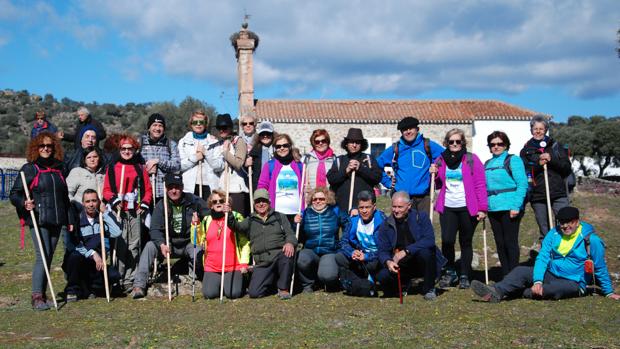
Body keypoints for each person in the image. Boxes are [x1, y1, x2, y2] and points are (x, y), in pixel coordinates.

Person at [472, 207, 620, 302]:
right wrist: (537, 280)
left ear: (577, 222)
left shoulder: (592, 240)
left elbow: (599, 266)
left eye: (570, 223)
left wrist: (608, 292)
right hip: (551, 273)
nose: (565, 226)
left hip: (574, 282)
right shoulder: (553, 233)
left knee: (552, 290)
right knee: (520, 271)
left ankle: (519, 291)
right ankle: (496, 291)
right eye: (562, 223)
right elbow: (542, 258)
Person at [10, 132, 69, 310]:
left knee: (49, 256)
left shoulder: (60, 168)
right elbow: (15, 194)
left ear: (54, 148)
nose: (45, 149)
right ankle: (36, 297)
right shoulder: (29, 169)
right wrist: (23, 203)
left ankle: (43, 295)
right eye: (42, 146)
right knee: (41, 256)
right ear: (36, 148)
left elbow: (64, 196)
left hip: (57, 219)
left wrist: (69, 218)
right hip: (38, 218)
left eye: (49, 146)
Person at [131, 173, 208, 298]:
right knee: (150, 246)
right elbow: (154, 229)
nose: (174, 191)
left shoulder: (194, 201)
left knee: (198, 252)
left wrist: (201, 226)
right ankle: (139, 285)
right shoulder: (161, 205)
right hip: (168, 243)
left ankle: (197, 277)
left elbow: (210, 215)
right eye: (171, 187)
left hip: (190, 242)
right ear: (166, 188)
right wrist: (161, 244)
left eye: (177, 187)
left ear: (182, 187)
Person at [433, 128, 487, 289]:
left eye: (458, 141)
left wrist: (482, 208)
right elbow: (437, 183)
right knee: (447, 241)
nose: (455, 144)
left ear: (463, 142)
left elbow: (480, 184)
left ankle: (464, 274)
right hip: (448, 206)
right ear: (446, 143)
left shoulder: (471, 159)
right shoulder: (440, 160)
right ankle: (450, 272)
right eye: (451, 142)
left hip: (467, 207)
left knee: (465, 241)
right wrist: (433, 174)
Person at [102, 134, 152, 291]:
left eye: (130, 148)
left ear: (135, 149)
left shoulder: (139, 168)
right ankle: (118, 277)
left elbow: (147, 190)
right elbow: (106, 190)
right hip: (118, 211)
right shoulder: (112, 168)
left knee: (134, 244)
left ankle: (131, 278)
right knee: (120, 244)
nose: (127, 151)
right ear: (119, 150)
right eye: (123, 149)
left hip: (134, 211)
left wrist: (144, 204)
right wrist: (114, 201)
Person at [227, 189, 297, 300]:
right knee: (255, 293)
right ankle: (273, 283)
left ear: (269, 202)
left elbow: (290, 234)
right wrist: (229, 214)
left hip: (279, 256)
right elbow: (237, 227)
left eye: (263, 201)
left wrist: (289, 243)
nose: (261, 204)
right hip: (262, 262)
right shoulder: (250, 220)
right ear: (254, 204)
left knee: (287, 254)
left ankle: (283, 289)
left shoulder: (280, 217)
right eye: (258, 201)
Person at [376, 191, 446, 300]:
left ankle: (429, 288)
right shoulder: (386, 224)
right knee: (382, 276)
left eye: (400, 207)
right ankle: (403, 284)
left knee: (426, 252)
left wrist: (406, 251)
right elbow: (382, 250)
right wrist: (388, 261)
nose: (396, 210)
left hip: (420, 260)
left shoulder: (421, 217)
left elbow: (429, 240)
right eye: (394, 207)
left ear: (409, 206)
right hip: (401, 265)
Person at [520, 115, 572, 241]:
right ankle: (548, 258)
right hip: (538, 195)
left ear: (546, 130)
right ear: (531, 130)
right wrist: (538, 165)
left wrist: (552, 160)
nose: (538, 131)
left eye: (541, 129)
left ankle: (567, 256)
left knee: (566, 224)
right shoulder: (525, 150)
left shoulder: (556, 146)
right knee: (545, 230)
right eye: (535, 128)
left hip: (558, 193)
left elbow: (566, 168)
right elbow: (524, 172)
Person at [376, 116, 443, 215]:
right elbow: (377, 165)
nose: (408, 132)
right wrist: (387, 182)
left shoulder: (428, 145)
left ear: (417, 129)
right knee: (402, 229)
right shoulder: (396, 148)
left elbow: (446, 158)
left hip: (424, 197)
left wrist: (437, 169)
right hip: (401, 198)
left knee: (423, 228)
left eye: (411, 128)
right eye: (404, 130)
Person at [63, 189, 121, 301]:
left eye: (94, 201)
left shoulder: (102, 219)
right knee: (74, 256)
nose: (91, 204)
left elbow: (117, 232)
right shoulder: (77, 219)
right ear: (83, 203)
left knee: (114, 275)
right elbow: (73, 244)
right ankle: (72, 290)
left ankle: (90, 288)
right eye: (88, 201)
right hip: (80, 260)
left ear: (99, 202)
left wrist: (105, 213)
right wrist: (93, 254)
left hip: (97, 264)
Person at [485, 131, 528, 276]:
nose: (496, 147)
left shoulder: (513, 160)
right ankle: (506, 274)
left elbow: (522, 184)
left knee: (510, 242)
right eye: (493, 144)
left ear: (506, 145)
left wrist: (516, 206)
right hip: (493, 208)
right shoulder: (487, 163)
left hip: (510, 207)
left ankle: (514, 275)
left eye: (500, 144)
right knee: (500, 243)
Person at [199, 190, 250, 299]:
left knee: (233, 294)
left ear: (227, 202)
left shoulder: (236, 217)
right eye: (215, 201)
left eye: (221, 201)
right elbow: (198, 241)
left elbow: (245, 243)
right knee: (209, 294)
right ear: (211, 205)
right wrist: (195, 226)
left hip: (233, 265)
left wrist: (244, 263)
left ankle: (236, 281)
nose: (218, 203)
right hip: (212, 266)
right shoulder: (206, 220)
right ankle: (220, 282)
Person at [293, 186, 345, 293]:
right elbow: (297, 235)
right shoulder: (305, 213)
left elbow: (348, 224)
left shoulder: (335, 211)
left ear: (327, 199)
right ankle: (308, 284)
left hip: (330, 251)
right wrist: (296, 224)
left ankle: (327, 280)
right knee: (301, 258)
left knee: (328, 276)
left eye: (321, 199)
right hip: (311, 250)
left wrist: (343, 242)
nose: (318, 201)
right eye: (315, 199)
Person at [336, 190, 386, 296]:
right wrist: (352, 252)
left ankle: (371, 279)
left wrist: (367, 256)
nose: (364, 211)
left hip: (377, 257)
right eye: (361, 207)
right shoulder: (353, 221)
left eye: (367, 207)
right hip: (360, 255)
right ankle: (358, 279)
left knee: (373, 264)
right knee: (340, 257)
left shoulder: (382, 222)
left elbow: (385, 249)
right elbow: (343, 242)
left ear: (374, 207)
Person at [327, 128, 381, 212]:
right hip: (342, 208)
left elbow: (377, 178)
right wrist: (346, 171)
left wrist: (361, 168)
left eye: (357, 142)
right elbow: (331, 179)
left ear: (362, 145)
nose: (354, 145)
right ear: (346, 144)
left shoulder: (369, 159)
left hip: (364, 209)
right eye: (352, 142)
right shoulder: (339, 160)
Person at [257, 133, 304, 227]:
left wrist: (303, 211)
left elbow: (304, 187)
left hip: (296, 214)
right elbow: (262, 188)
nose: (281, 148)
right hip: (276, 214)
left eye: (285, 145)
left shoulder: (299, 165)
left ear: (290, 146)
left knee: (294, 241)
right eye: (278, 146)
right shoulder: (269, 165)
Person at [178, 109, 224, 201]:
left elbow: (219, 166)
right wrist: (195, 157)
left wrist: (206, 153)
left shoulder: (214, 142)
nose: (198, 124)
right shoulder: (183, 142)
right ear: (191, 124)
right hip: (190, 186)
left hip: (209, 186)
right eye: (195, 122)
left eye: (201, 122)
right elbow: (180, 166)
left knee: (208, 214)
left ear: (205, 124)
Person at [213, 113, 250, 217]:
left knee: (236, 220)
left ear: (230, 127)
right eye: (219, 128)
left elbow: (238, 163)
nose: (221, 130)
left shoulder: (239, 141)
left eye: (224, 127)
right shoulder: (218, 143)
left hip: (236, 190)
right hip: (222, 190)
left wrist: (225, 152)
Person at [139, 113, 181, 202]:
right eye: (154, 125)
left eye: (160, 126)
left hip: (164, 193)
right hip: (144, 193)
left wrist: (158, 161)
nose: (157, 129)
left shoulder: (171, 144)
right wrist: (146, 169)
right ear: (149, 127)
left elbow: (177, 166)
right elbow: (132, 167)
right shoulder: (140, 143)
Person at [247, 121, 275, 198]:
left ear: (272, 135)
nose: (265, 136)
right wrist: (246, 164)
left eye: (268, 134)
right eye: (262, 134)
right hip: (260, 186)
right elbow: (248, 171)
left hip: (276, 185)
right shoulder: (255, 151)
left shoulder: (279, 149)